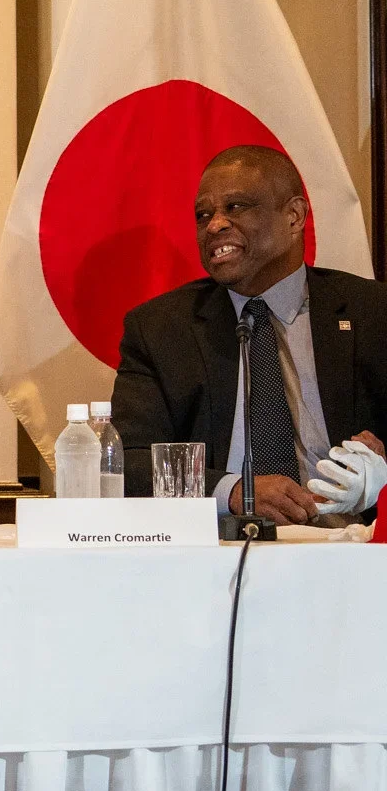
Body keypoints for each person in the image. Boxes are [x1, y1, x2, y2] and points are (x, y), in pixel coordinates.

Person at [113, 144, 387, 523]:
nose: (215, 225)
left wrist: (383, 471)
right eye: (203, 214)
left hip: (350, 550)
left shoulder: (373, 312)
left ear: (293, 217)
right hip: (217, 553)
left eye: (236, 207)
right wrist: (231, 490)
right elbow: (125, 461)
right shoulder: (161, 328)